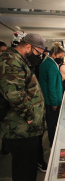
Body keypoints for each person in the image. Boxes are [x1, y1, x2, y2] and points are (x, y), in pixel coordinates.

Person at [0, 33, 46, 181]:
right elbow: (14, 94)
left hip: (25, 129)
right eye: (38, 53)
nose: (39, 57)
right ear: (28, 46)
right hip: (20, 129)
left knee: (27, 167)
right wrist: (30, 116)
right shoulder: (11, 61)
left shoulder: (18, 59)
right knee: (24, 171)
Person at [39, 42, 64, 147]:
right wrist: (54, 103)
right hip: (52, 101)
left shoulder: (47, 63)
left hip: (48, 99)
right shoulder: (51, 66)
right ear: (53, 54)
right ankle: (54, 144)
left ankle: (52, 142)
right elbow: (51, 87)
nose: (61, 59)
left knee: (51, 124)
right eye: (60, 56)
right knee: (53, 124)